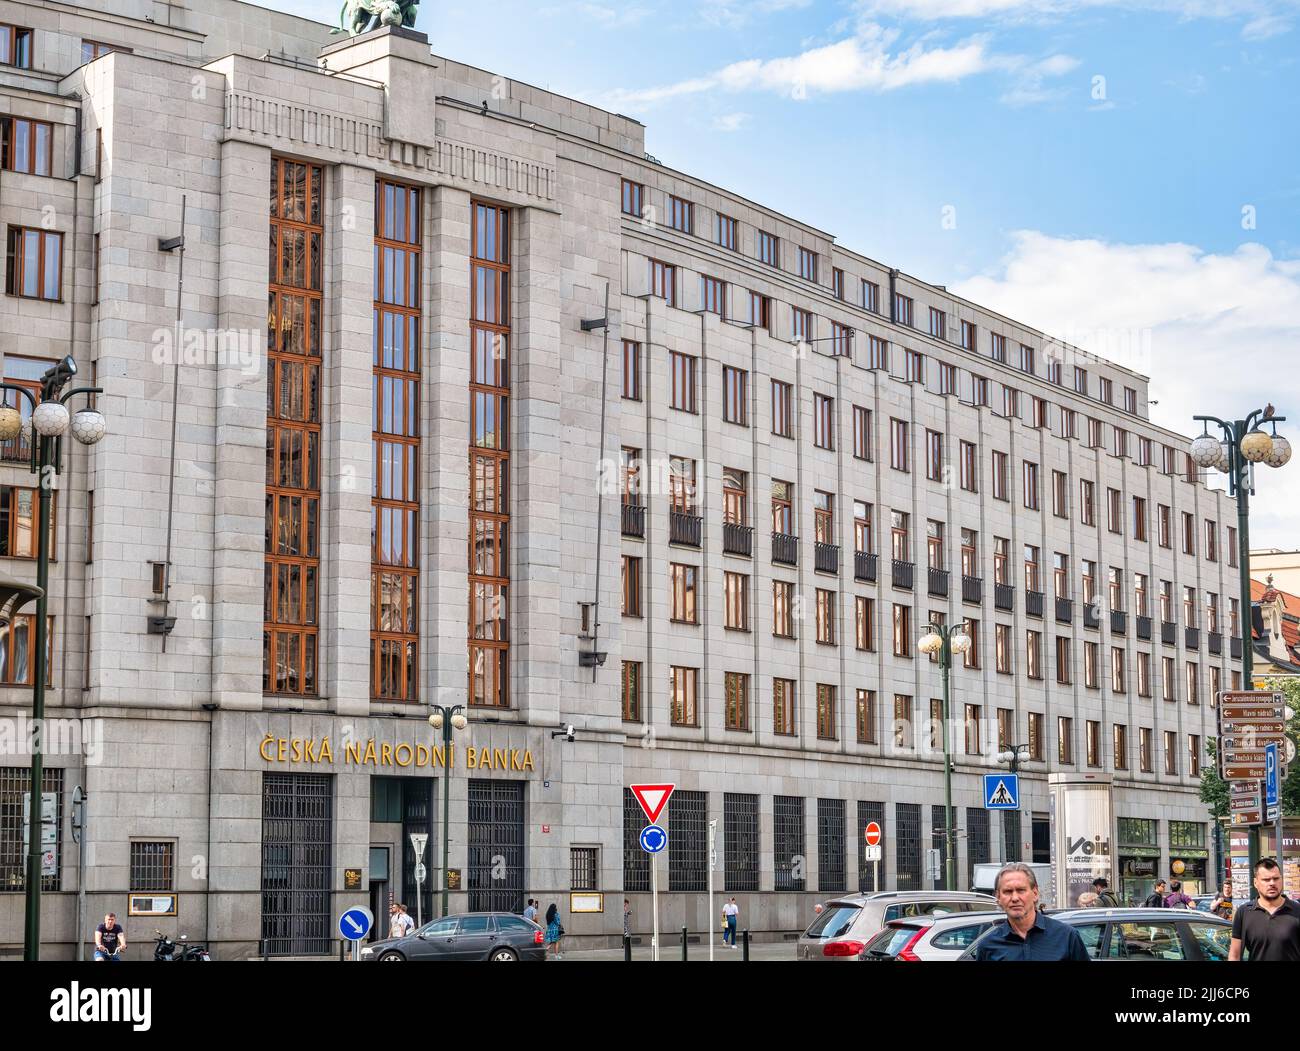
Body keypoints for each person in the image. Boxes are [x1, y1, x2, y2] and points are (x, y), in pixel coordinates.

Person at [973, 863, 1091, 961]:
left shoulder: (1067, 937)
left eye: (1021, 890)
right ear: (998, 897)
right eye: (1008, 891)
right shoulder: (988, 945)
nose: (1014, 898)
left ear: (1035, 893)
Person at [1229, 858, 1300, 962]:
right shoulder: (1244, 913)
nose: (1272, 883)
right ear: (1255, 882)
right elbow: (1234, 955)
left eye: (1276, 878)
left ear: (1281, 880)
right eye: (1266, 880)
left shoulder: (1297, 910)